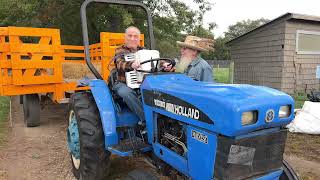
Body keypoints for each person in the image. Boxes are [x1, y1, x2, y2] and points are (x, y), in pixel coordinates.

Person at [112, 26, 145, 123]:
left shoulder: (144, 51)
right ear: (125, 37)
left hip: (141, 82)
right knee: (126, 93)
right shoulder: (120, 50)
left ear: (139, 39)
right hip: (122, 83)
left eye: (135, 36)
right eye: (130, 36)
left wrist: (164, 64)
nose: (132, 39)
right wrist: (132, 64)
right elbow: (120, 64)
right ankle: (146, 120)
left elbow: (153, 62)